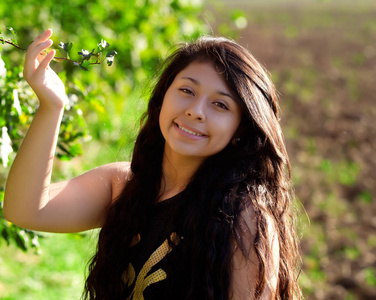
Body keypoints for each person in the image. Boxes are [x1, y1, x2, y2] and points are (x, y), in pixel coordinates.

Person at [3, 29, 302, 299]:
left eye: (220, 104)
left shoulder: (244, 218)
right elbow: (25, 209)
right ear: (163, 97)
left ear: (240, 130)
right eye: (187, 90)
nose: (196, 111)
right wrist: (52, 106)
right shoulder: (122, 185)